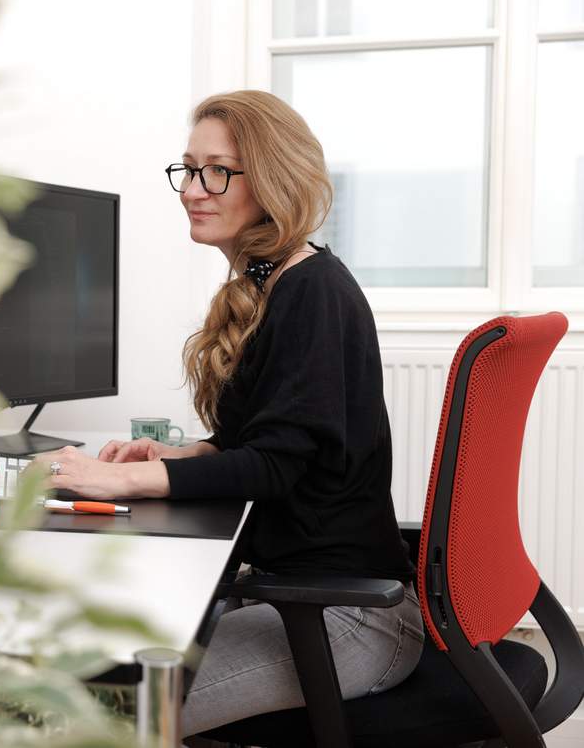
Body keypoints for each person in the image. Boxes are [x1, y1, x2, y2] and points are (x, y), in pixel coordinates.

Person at [30, 90, 423, 735]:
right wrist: (185, 455)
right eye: (188, 169)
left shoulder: (312, 292)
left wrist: (118, 479)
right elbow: (266, 442)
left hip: (347, 621)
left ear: (271, 180)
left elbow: (276, 467)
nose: (193, 189)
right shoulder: (276, 285)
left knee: (96, 717)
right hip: (304, 605)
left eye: (218, 171)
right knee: (90, 672)